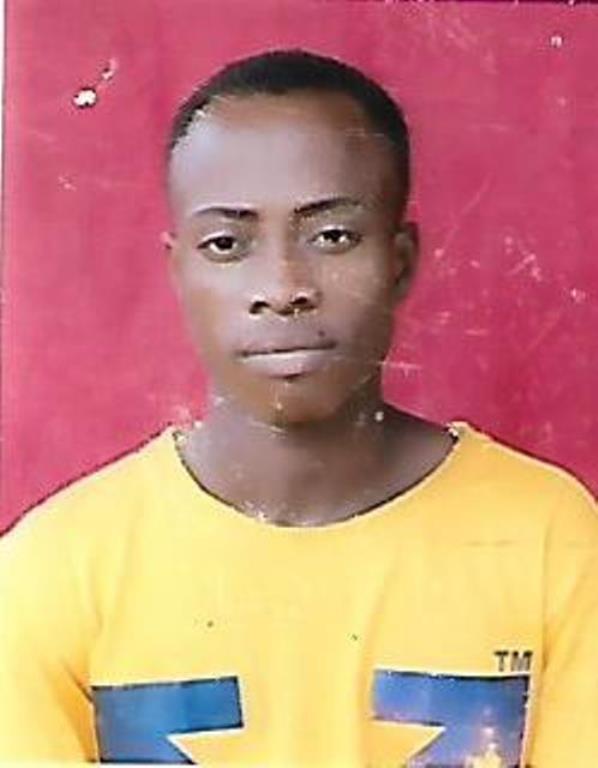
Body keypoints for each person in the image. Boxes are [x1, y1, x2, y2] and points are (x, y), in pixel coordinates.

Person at [0, 49, 596, 768]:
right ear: (179, 269)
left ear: (401, 261)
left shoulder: (551, 538)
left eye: (332, 237)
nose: (282, 288)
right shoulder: (55, 570)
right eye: (227, 243)